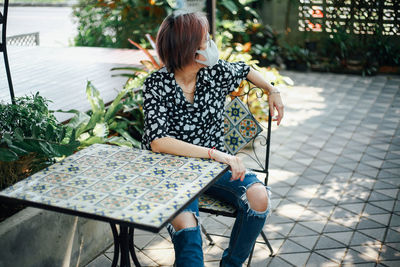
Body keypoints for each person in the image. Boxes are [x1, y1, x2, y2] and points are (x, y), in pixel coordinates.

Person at [141, 12, 284, 267]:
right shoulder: (156, 84)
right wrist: (215, 154)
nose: (211, 44)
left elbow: (247, 70)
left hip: (212, 168)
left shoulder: (215, 72)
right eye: (206, 39)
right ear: (190, 50)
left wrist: (272, 89)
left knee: (259, 197)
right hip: (171, 171)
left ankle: (231, 264)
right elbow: (159, 141)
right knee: (186, 227)